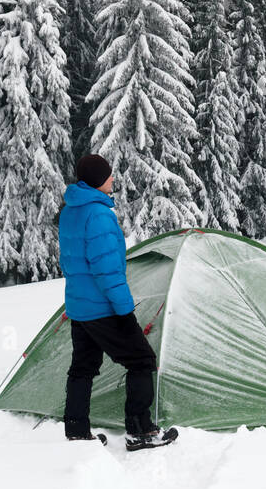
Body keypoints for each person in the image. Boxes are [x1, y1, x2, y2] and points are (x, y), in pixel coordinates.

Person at [58, 154, 177, 450]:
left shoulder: (71, 211)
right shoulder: (98, 215)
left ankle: (76, 432)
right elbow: (107, 271)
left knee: (83, 368)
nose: (113, 180)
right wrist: (124, 312)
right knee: (142, 360)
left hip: (80, 307)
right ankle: (140, 431)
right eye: (109, 176)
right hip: (102, 308)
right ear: (98, 180)